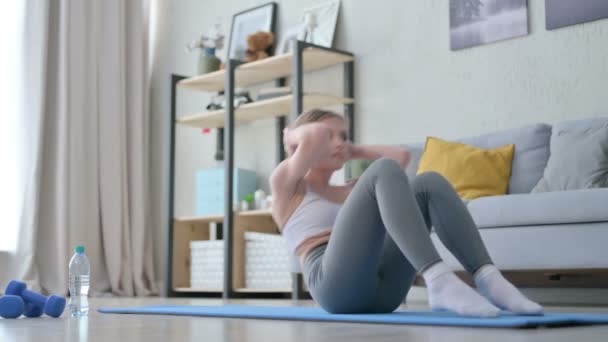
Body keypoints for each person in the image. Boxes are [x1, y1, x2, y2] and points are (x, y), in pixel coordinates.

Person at [269, 109, 543, 317]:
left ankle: (488, 279)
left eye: (343, 136)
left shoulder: (350, 190)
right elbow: (314, 137)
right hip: (334, 287)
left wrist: (351, 151)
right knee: (382, 170)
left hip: (384, 292)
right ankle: (438, 279)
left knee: (428, 183)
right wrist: (291, 136)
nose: (339, 142)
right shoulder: (287, 184)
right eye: (330, 136)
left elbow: (401, 158)